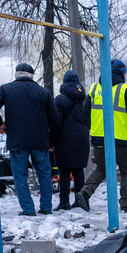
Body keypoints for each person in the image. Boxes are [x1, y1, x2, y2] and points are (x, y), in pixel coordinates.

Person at [74, 59, 127, 213]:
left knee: (102, 168)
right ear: (122, 73)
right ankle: (125, 203)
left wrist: (94, 129)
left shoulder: (94, 88)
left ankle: (84, 193)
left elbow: (85, 113)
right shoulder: (124, 89)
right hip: (122, 139)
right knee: (126, 171)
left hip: (99, 138)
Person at [0, 62, 59, 216]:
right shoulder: (43, 92)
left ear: (16, 75)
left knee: (20, 176)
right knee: (44, 174)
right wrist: (50, 139)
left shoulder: (6, 89)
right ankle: (46, 207)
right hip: (40, 140)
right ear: (32, 76)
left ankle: (28, 209)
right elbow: (55, 118)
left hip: (17, 140)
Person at [52, 70, 89, 210]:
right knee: (78, 170)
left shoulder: (60, 100)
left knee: (64, 171)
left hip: (64, 139)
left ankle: (64, 202)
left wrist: (51, 142)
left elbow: (56, 123)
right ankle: (80, 200)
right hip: (82, 138)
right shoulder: (85, 99)